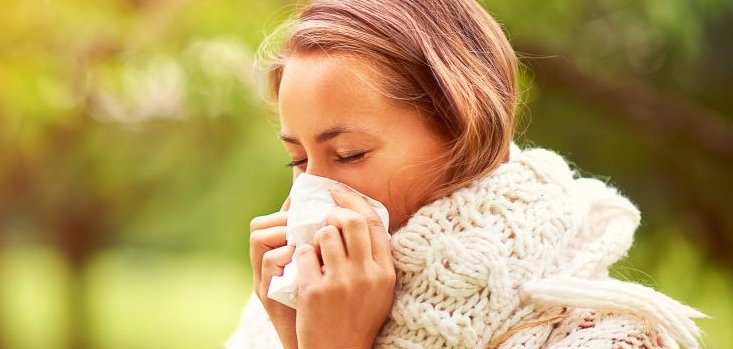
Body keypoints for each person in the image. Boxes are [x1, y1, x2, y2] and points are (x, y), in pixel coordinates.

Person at [226, 0, 706, 348]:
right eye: (299, 160)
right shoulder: (280, 313)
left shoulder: (597, 336)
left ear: (463, 132)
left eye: (349, 154)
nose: (316, 190)